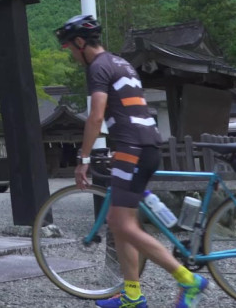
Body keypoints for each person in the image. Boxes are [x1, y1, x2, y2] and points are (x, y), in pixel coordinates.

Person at [56, 15, 209, 308]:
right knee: (120, 222)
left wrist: (83, 158)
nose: (72, 55)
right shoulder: (120, 62)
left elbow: (96, 116)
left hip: (132, 149)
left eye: (70, 48)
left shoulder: (98, 68)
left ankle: (189, 281)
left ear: (80, 42)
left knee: (122, 224)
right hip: (143, 145)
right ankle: (133, 295)